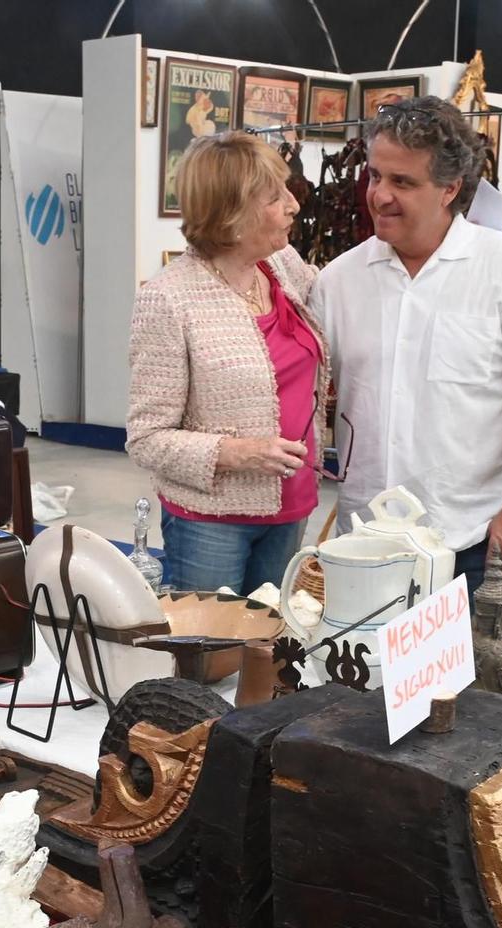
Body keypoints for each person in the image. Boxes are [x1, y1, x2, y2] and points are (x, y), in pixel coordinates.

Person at [310, 97, 502, 591]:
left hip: (469, 540)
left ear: (450, 189)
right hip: (362, 539)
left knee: (471, 671)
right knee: (358, 671)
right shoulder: (339, 281)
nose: (380, 195)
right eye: (375, 176)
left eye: (403, 182)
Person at [126, 131, 327, 595]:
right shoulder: (168, 299)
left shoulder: (282, 267)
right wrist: (238, 453)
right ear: (233, 214)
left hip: (294, 506)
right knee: (213, 661)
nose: (293, 205)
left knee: (273, 651)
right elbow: (146, 438)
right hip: (212, 520)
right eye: (274, 196)